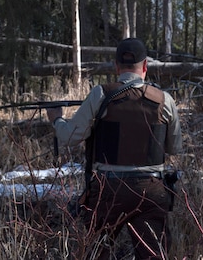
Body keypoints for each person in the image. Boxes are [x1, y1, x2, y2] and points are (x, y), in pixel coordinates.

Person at [46, 37, 183, 260]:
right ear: (145, 66)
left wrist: (56, 120)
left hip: (108, 190)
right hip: (151, 190)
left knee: (96, 253)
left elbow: (70, 137)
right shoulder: (164, 100)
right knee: (153, 256)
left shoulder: (101, 94)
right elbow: (174, 148)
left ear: (116, 66)